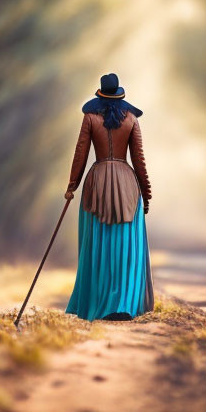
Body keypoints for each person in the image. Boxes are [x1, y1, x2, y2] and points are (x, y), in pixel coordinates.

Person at [64, 73, 155, 321]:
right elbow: (139, 161)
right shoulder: (132, 120)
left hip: (97, 181)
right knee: (126, 246)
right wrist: (146, 194)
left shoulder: (90, 118)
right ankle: (123, 304)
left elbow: (81, 153)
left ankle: (98, 302)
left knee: (98, 243)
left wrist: (72, 185)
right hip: (127, 183)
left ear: (100, 95)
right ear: (120, 95)